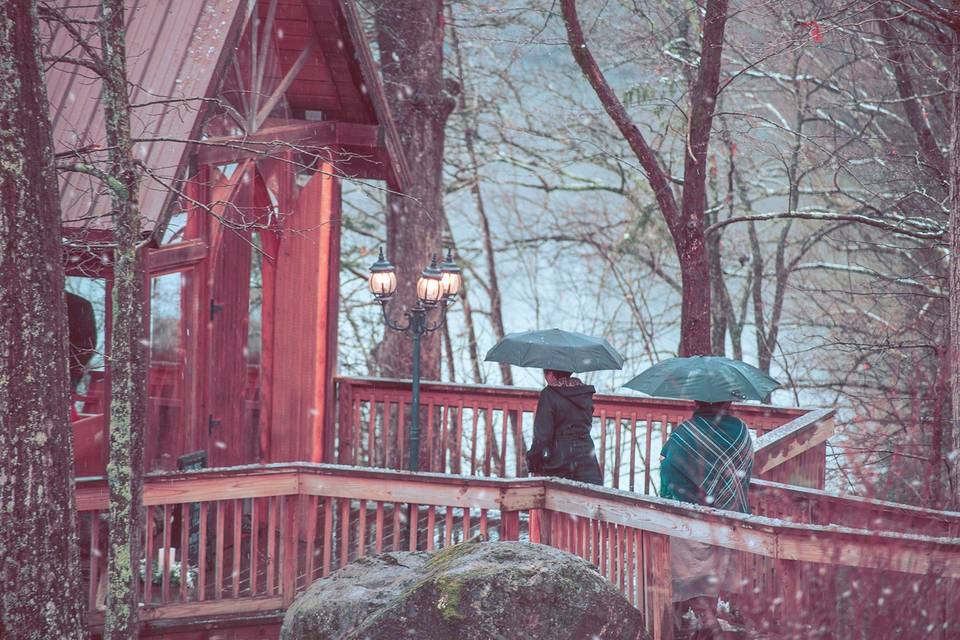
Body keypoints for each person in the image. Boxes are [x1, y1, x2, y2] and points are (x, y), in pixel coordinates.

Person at [660, 400, 754, 639]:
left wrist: (666, 461)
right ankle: (706, 625)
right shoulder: (741, 431)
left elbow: (669, 471)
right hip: (731, 518)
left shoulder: (686, 432)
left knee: (690, 571)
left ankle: (708, 622)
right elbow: (745, 469)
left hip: (693, 517)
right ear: (729, 402)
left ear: (696, 402)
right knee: (713, 570)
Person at [525, 369, 603, 485]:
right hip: (587, 463)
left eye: (545, 374)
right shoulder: (584, 394)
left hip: (559, 465)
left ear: (551, 374)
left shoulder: (549, 394)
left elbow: (542, 438)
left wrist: (534, 465)